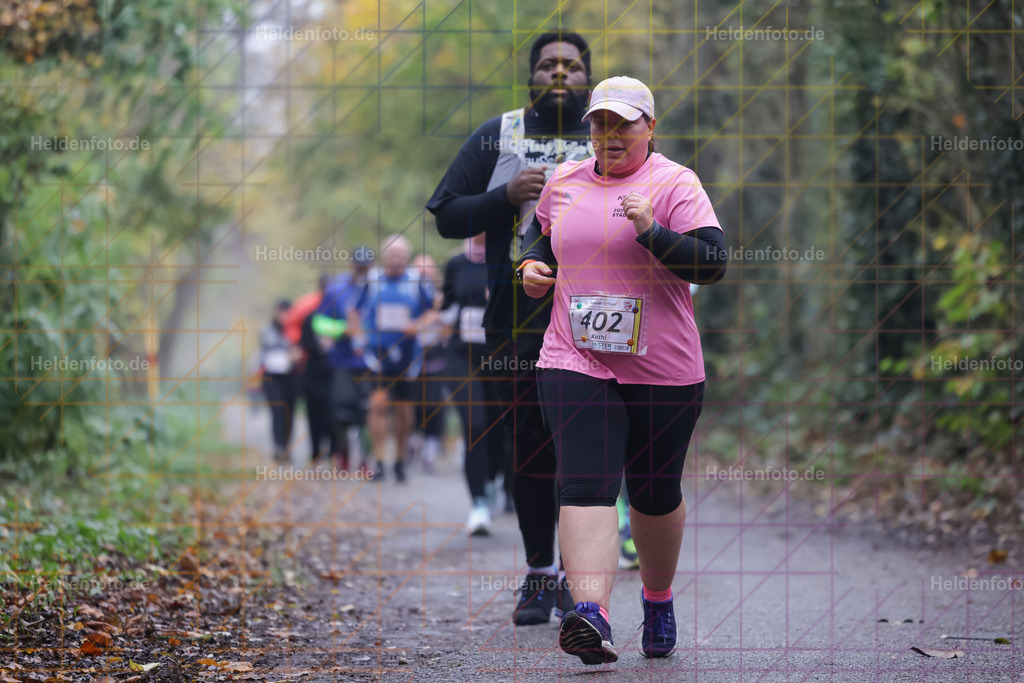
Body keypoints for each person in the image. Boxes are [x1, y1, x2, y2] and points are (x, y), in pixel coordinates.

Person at [518, 76, 728, 663]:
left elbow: (712, 263)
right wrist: (530, 268)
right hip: (573, 356)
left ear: (649, 128)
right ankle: (591, 615)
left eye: (624, 123)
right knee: (584, 480)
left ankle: (657, 599)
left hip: (663, 367)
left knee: (654, 494)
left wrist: (651, 232)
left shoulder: (674, 182)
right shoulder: (564, 181)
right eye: (600, 123)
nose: (609, 134)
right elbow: (541, 239)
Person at [427, 30, 593, 625]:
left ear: (587, 78)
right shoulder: (499, 134)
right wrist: (502, 196)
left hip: (598, 319)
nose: (558, 73)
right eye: (547, 64)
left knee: (590, 453)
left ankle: (581, 580)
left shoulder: (610, 134)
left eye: (571, 66)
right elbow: (445, 213)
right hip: (518, 322)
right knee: (531, 451)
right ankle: (540, 575)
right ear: (531, 76)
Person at [347, 235, 438, 484]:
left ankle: (398, 460)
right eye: (391, 254)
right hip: (377, 355)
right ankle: (378, 461)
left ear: (406, 258)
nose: (396, 260)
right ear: (384, 256)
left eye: (400, 255)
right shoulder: (372, 279)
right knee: (377, 406)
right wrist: (358, 339)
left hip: (409, 356)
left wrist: (417, 325)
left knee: (404, 412)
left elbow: (433, 311)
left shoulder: (417, 281)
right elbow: (353, 311)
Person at [440, 234, 508, 535]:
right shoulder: (456, 263)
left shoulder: (507, 258)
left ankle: (493, 482)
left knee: (498, 427)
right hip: (460, 356)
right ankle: (478, 503)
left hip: (498, 357)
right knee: (475, 424)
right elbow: (446, 307)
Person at [313, 248, 375, 474]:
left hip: (371, 362)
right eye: (358, 266)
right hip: (342, 362)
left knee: (368, 412)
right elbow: (319, 322)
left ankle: (367, 459)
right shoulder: (336, 288)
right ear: (351, 265)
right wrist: (342, 329)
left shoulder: (377, 288)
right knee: (339, 411)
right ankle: (343, 450)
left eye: (366, 267)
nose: (362, 271)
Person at [409, 253, 448, 474]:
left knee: (435, 405)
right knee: (413, 404)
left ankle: (430, 453)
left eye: (427, 270)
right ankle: (410, 444)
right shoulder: (409, 294)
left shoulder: (442, 296)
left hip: (436, 360)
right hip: (413, 359)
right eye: (420, 270)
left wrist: (436, 314)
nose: (424, 274)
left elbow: (447, 323)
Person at [296, 275, 335, 466]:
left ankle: (334, 453)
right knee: (313, 416)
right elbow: (304, 343)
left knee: (333, 415)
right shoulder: (311, 316)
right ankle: (315, 454)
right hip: (313, 374)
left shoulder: (339, 316)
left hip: (334, 373)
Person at [260, 299, 299, 463]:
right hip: (272, 377)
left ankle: (286, 446)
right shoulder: (268, 330)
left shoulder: (296, 330)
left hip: (291, 376)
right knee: (277, 412)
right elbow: (270, 345)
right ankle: (279, 447)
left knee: (289, 412)